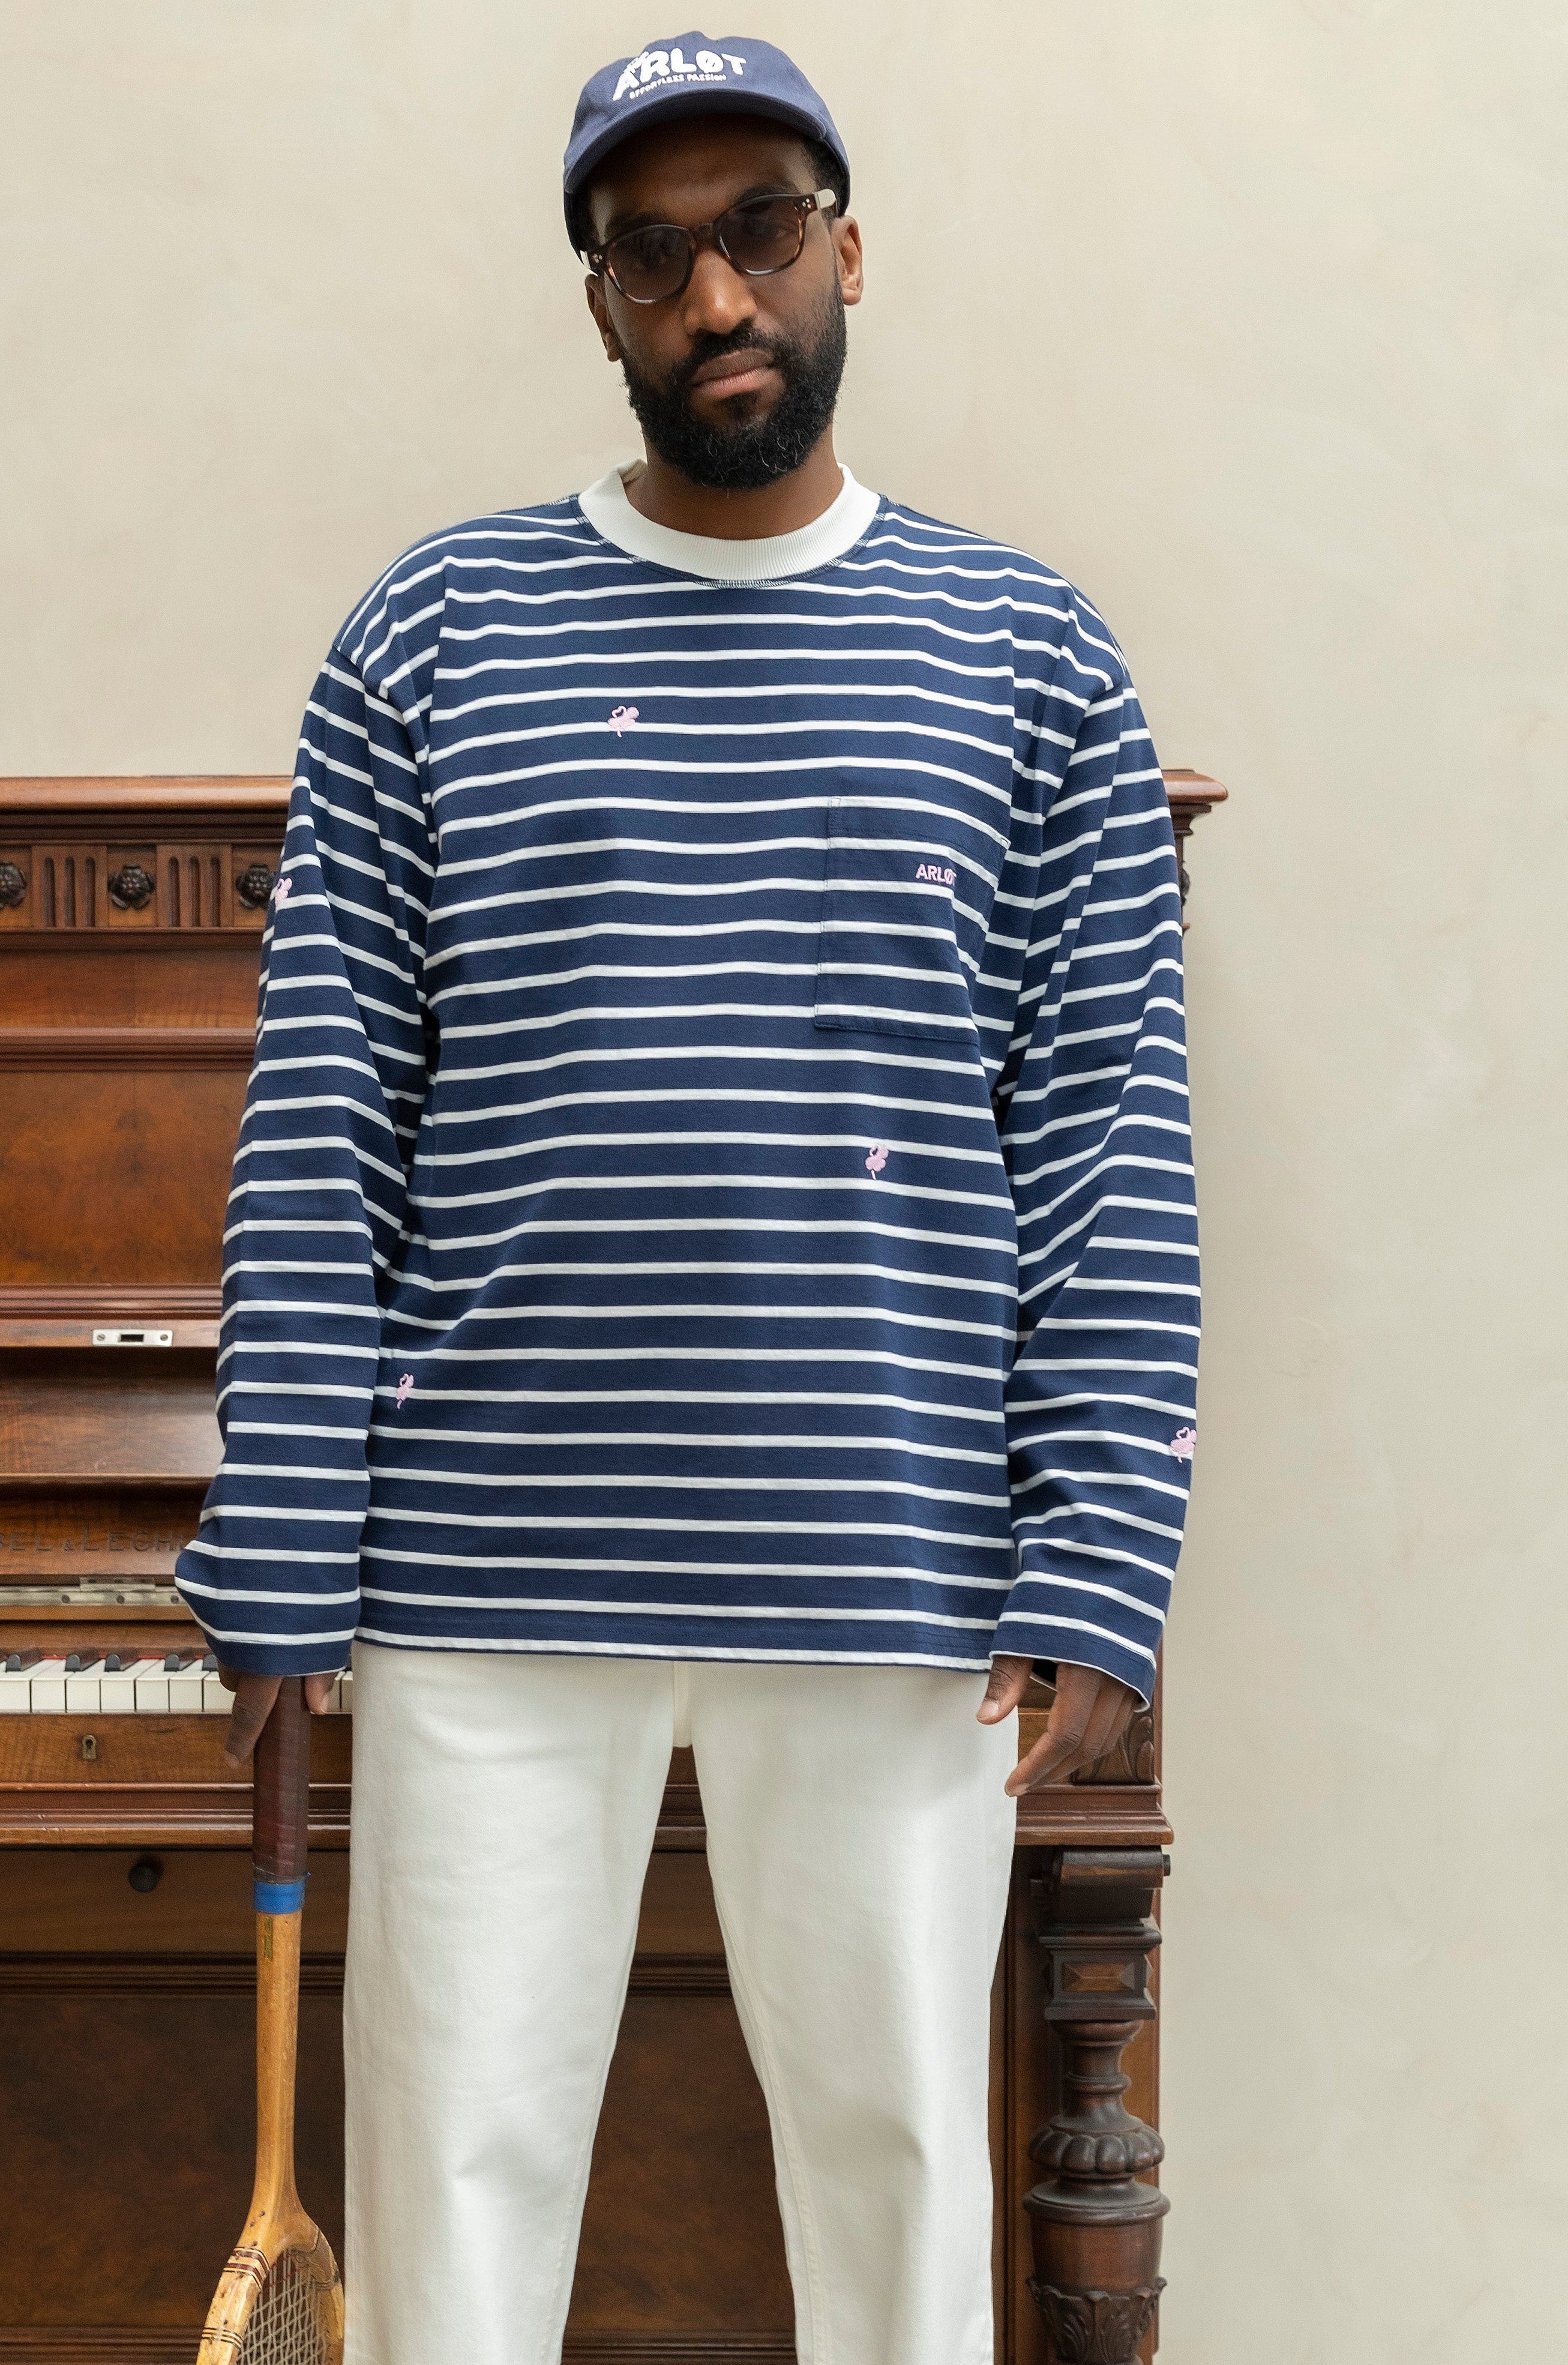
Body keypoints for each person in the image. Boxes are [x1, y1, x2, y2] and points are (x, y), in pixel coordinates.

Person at [176, 31, 1200, 2364]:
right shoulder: (431, 637)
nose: (716, 292)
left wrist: (1098, 1550)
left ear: (850, 249)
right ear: (600, 305)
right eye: (654, 254)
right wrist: (284, 1543)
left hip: (896, 1550)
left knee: (901, 2181)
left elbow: (1107, 1144)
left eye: (759, 229)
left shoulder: (1032, 658)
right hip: (485, 1566)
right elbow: (323, 1124)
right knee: (451, 2180)